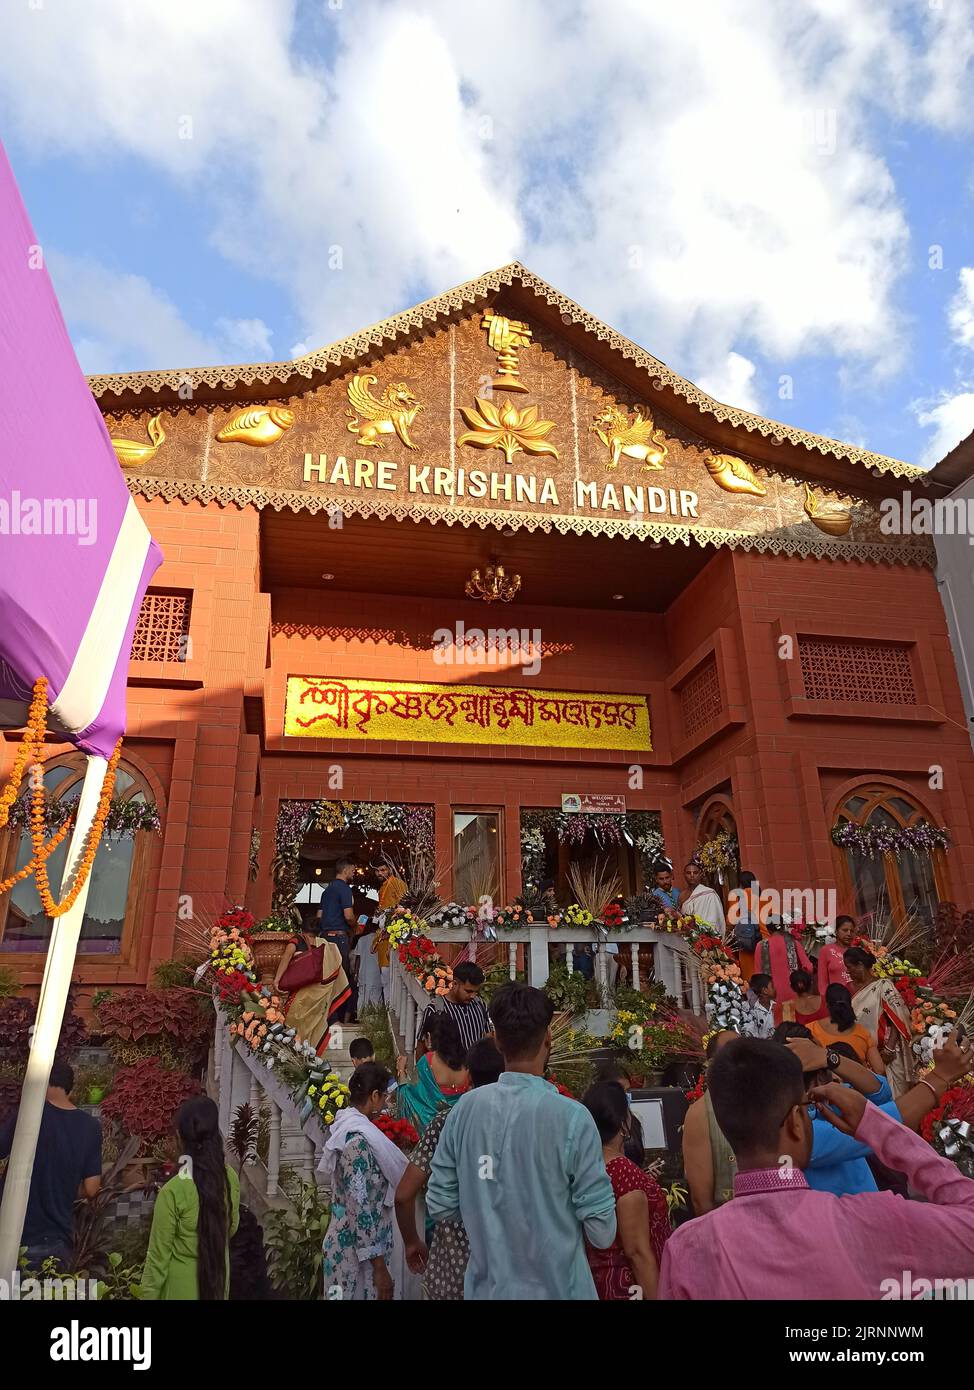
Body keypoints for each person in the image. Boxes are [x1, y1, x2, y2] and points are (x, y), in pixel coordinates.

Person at [658, 1033, 974, 1300]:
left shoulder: (687, 1248)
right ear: (797, 1122)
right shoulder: (867, 1221)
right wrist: (874, 1124)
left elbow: (881, 1091)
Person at [426, 983, 616, 1299]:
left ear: (497, 1041)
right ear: (548, 1038)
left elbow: (440, 1204)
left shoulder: (464, 1112)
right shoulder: (573, 1118)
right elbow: (602, 1232)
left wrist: (487, 1208)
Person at [394, 1038, 504, 1300]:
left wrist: (411, 1242)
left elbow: (403, 1194)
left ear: (468, 1072)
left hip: (452, 1273)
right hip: (506, 1272)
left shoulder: (447, 1122)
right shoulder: (522, 1122)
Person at [0, 1058, 101, 1271]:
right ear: (70, 1088)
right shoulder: (90, 1127)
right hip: (58, 1241)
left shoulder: (28, 1115)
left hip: (16, 1235)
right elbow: (92, 1188)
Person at [320, 1062, 407, 1301]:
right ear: (374, 1095)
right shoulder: (356, 1142)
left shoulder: (358, 1131)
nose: (385, 1105)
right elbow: (359, 1208)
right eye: (384, 1098)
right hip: (354, 1256)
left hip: (363, 1251)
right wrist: (379, 1268)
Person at [142, 1096, 240, 1300]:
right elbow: (231, 1227)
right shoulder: (229, 1178)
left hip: (180, 1288)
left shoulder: (173, 1191)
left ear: (180, 1137)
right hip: (218, 1282)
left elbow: (157, 1259)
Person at [581, 1081, 670, 1300]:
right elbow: (637, 1252)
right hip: (628, 1287)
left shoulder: (585, 1168)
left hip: (594, 1284)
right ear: (622, 1124)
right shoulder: (624, 1173)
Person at [845, 944, 916, 1097]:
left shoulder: (884, 986)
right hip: (864, 1056)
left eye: (849, 967)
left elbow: (898, 1019)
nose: (847, 971)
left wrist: (889, 1049)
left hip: (888, 1054)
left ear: (860, 965)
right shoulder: (850, 988)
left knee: (898, 1098)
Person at [681, 1029, 739, 1214]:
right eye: (733, 1052)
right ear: (712, 1064)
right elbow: (701, 1201)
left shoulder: (762, 1102)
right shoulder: (700, 1114)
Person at [272, 926, 350, 1056]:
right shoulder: (326, 946)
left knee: (294, 1022)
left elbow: (286, 958)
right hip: (316, 992)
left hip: (302, 993)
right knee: (315, 1022)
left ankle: (297, 1055)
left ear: (303, 931)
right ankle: (308, 1055)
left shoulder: (296, 941)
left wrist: (276, 981)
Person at [397, 1014, 470, 1133]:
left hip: (431, 1135)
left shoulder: (427, 1062)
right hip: (459, 1130)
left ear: (429, 1037)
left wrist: (401, 1071)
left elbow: (409, 1098)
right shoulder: (467, 1063)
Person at [417, 960, 490, 1057]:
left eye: (475, 992)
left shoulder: (479, 1005)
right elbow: (421, 1045)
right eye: (468, 991)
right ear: (455, 984)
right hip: (446, 1070)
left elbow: (488, 1037)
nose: (473, 996)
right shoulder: (435, 1010)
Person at [808, 983, 884, 1071]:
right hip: (859, 1082)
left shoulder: (811, 1030)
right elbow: (879, 1070)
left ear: (826, 1004)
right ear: (850, 1003)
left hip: (826, 1083)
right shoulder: (863, 1032)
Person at [318, 857, 358, 1018]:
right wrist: (355, 926)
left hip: (325, 937)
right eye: (353, 870)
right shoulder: (344, 889)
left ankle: (326, 1016)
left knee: (326, 976)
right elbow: (348, 915)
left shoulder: (326, 891)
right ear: (346, 870)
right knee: (342, 977)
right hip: (339, 938)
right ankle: (337, 1017)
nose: (354, 873)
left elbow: (319, 916)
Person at [753, 917, 812, 1004]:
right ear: (783, 927)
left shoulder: (760, 946)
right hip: (794, 994)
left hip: (772, 998)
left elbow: (758, 975)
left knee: (778, 1017)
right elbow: (809, 968)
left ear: (768, 929)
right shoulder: (794, 943)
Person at [681, 861, 726, 931]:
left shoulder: (710, 894)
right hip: (688, 936)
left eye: (695, 873)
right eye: (688, 873)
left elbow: (715, 920)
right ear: (684, 875)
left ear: (700, 874)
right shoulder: (681, 895)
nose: (692, 875)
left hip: (708, 938)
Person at [817, 914, 855, 993]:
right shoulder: (826, 950)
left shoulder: (856, 950)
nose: (849, 934)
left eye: (851, 931)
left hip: (857, 998)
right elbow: (822, 981)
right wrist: (826, 1000)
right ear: (836, 931)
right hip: (837, 1000)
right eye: (845, 930)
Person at [353, 919, 384, 1011]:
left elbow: (358, 958)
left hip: (363, 972)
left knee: (362, 995)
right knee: (376, 996)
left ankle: (360, 1017)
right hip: (376, 972)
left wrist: (356, 973)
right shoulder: (380, 939)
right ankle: (377, 1017)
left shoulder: (361, 939)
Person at [742, 973, 776, 1039]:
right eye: (772, 986)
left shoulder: (776, 1006)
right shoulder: (753, 1013)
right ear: (765, 990)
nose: (774, 989)